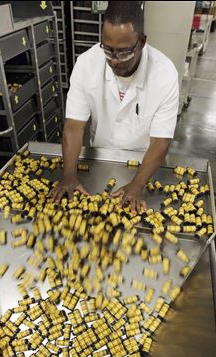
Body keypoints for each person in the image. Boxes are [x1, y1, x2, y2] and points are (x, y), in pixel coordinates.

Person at [50, 1, 179, 213]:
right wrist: (69, 177)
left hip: (142, 159)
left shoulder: (164, 74)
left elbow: (160, 141)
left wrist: (137, 187)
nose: (115, 61)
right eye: (108, 50)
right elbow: (74, 126)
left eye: (124, 52)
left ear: (142, 42)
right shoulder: (86, 64)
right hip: (99, 155)